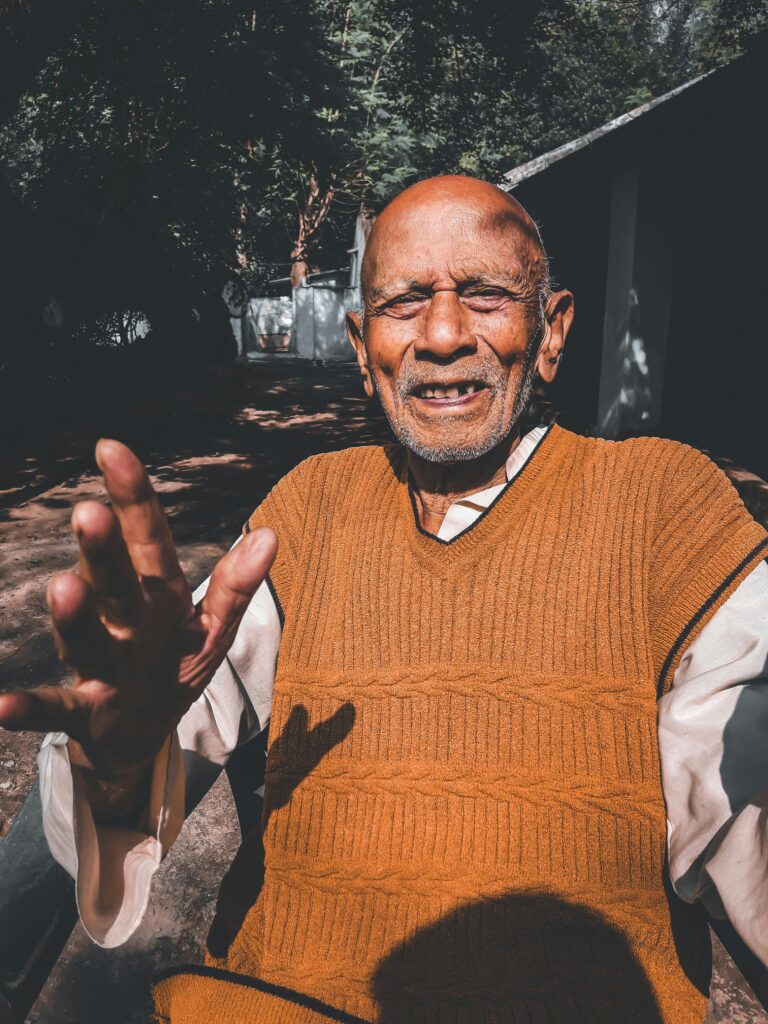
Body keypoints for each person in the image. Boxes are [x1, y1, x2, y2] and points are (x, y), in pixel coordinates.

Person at [2, 176, 768, 1023]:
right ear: (365, 351)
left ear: (551, 334)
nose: (442, 336)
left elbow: (741, 819)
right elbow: (119, 817)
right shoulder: (308, 508)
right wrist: (120, 758)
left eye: (485, 296)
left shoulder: (666, 506)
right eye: (405, 303)